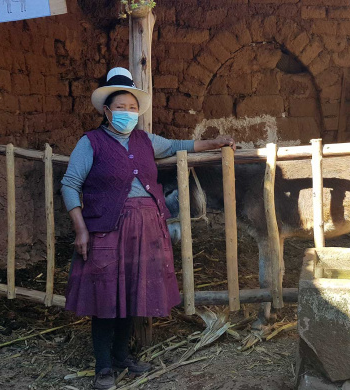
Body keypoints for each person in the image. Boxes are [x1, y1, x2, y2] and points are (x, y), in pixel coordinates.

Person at [61, 67, 235, 389]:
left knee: (131, 293)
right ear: (106, 110)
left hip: (147, 227)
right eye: (120, 107)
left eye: (132, 107)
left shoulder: (146, 140)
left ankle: (121, 357)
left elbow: (180, 144)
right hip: (107, 229)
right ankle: (103, 368)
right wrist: (81, 229)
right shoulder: (91, 143)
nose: (127, 113)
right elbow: (70, 184)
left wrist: (215, 142)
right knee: (105, 299)